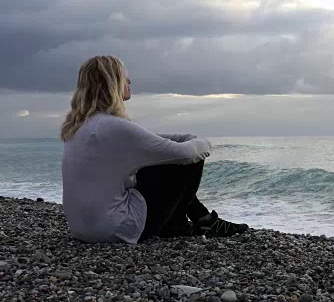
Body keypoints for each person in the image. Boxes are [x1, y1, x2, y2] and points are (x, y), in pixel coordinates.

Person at [60, 55, 248, 244]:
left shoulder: (81, 126)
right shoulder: (114, 127)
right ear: (112, 83)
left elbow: (151, 141)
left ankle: (202, 220)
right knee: (188, 160)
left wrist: (187, 139)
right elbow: (185, 154)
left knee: (157, 157)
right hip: (116, 230)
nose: (129, 81)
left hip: (82, 229)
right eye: (124, 77)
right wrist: (205, 142)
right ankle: (182, 225)